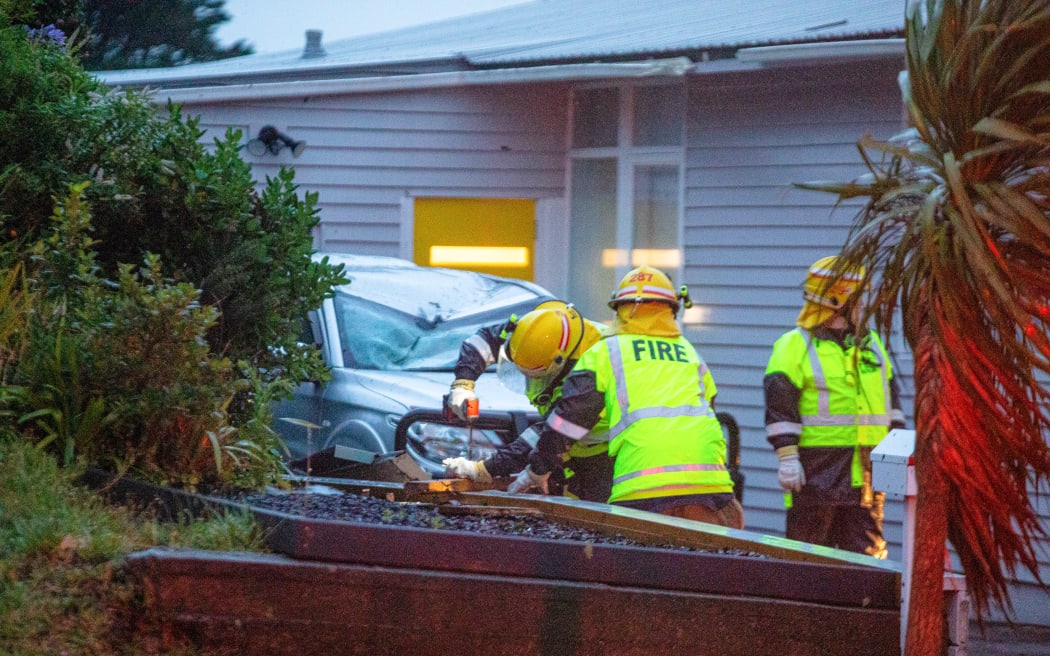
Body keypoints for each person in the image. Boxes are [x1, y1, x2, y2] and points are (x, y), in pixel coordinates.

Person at [509, 265, 744, 529]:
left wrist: (537, 469)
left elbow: (569, 418)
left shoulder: (605, 353)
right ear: (672, 308)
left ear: (619, 308)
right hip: (710, 485)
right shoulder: (689, 353)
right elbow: (708, 408)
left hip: (643, 487)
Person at [763, 256, 906, 558]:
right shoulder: (793, 346)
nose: (866, 303)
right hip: (817, 476)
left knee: (868, 564)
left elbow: (892, 409)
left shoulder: (872, 346)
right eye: (861, 296)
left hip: (866, 479)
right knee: (810, 563)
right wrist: (787, 457)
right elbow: (780, 406)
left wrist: (894, 466)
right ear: (839, 300)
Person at [441, 300, 614, 502]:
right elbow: (483, 341)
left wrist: (486, 468)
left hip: (606, 451)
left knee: (591, 513)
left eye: (538, 376)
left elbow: (550, 432)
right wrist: (463, 384)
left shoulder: (590, 370)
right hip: (567, 445)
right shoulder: (538, 329)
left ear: (559, 363)